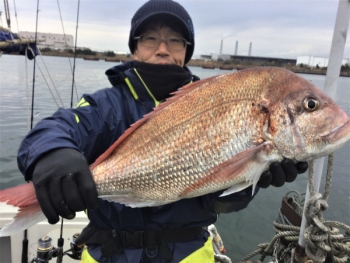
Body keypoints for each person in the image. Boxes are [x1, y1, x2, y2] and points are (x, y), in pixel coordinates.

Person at [17, 0, 308, 262]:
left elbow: (217, 200)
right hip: (108, 252)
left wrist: (254, 178)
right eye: (150, 38)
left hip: (189, 252)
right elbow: (57, 126)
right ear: (135, 47)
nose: (162, 48)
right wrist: (53, 153)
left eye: (174, 40)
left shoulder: (215, 103)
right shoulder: (106, 106)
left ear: (186, 51)